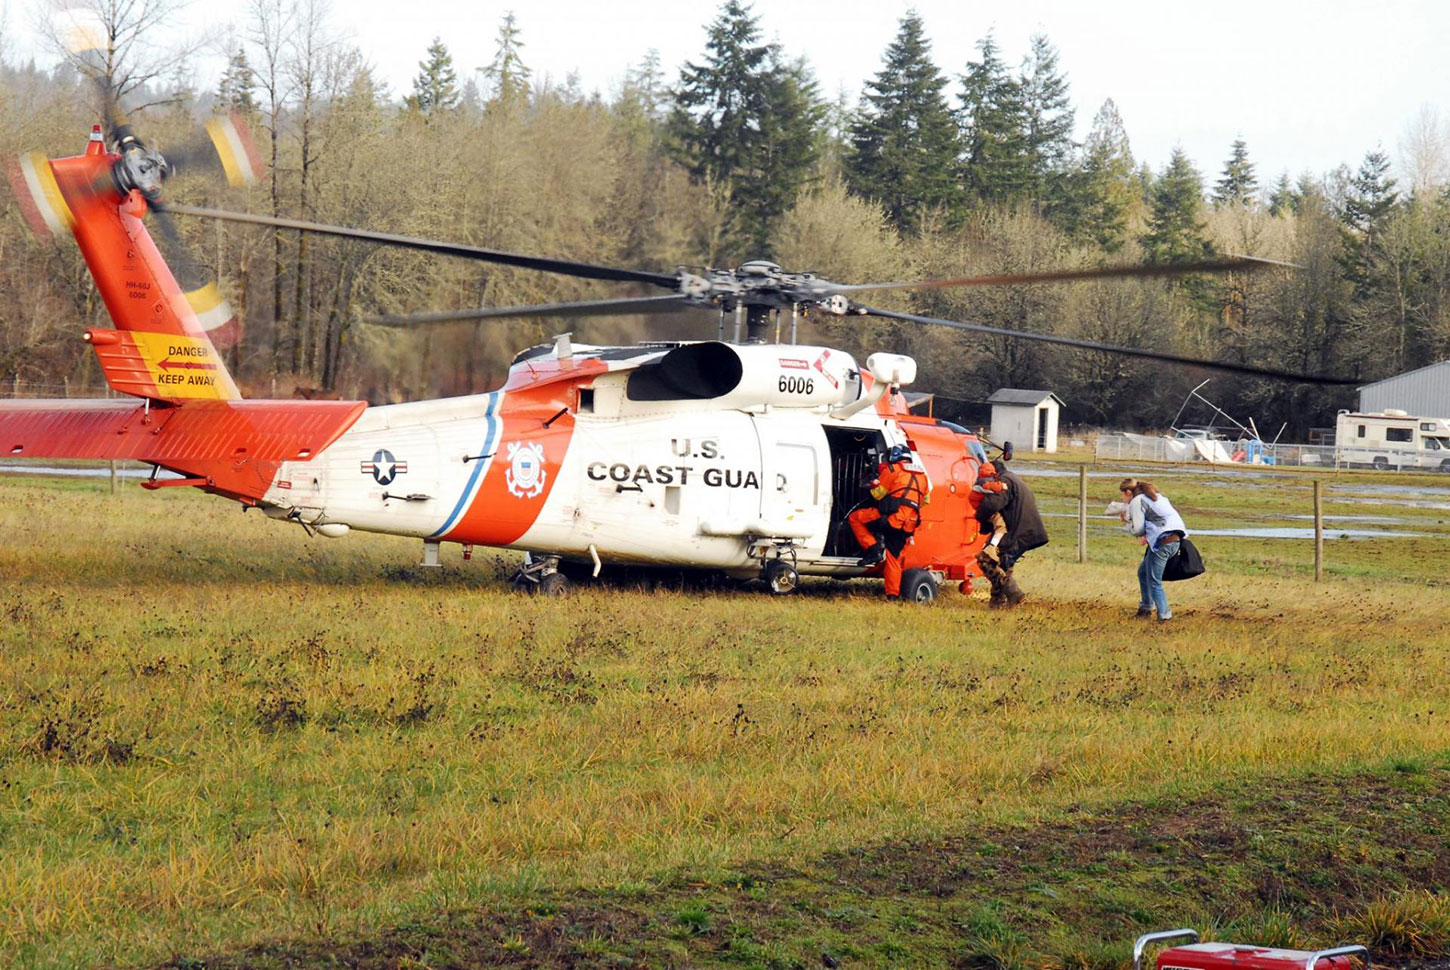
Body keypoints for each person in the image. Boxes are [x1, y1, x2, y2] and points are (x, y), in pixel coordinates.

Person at [848, 443, 928, 600]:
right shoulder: (922, 476)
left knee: (856, 518)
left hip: (891, 519)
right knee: (894, 559)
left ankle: (873, 549)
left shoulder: (892, 470)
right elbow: (925, 500)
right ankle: (892, 595)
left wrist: (873, 484)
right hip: (910, 523)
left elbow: (877, 495)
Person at [970, 459, 1048, 607]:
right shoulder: (1014, 479)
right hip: (1027, 530)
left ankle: (1014, 593)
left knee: (985, 559)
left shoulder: (1004, 481)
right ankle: (997, 603)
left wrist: (980, 516)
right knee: (1002, 564)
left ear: (995, 474)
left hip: (1017, 531)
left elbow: (992, 504)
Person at [1120, 477, 1188, 621]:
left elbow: (1138, 529)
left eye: (1122, 495)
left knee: (1154, 581)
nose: (1122, 498)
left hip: (1162, 543)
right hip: (1174, 540)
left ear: (1127, 492)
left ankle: (1164, 616)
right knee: (1143, 572)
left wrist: (1127, 524)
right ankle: (1145, 608)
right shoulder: (1157, 497)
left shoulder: (1137, 501)